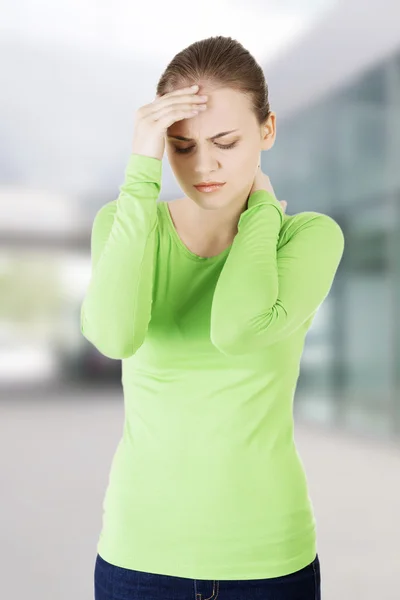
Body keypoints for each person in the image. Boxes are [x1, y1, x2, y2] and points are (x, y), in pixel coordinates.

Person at [81, 35, 344, 600]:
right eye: (180, 146)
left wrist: (262, 213)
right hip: (138, 558)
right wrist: (139, 174)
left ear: (267, 130)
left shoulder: (308, 237)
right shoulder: (126, 225)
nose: (204, 166)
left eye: (225, 141)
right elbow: (112, 335)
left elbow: (238, 329)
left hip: (268, 561)